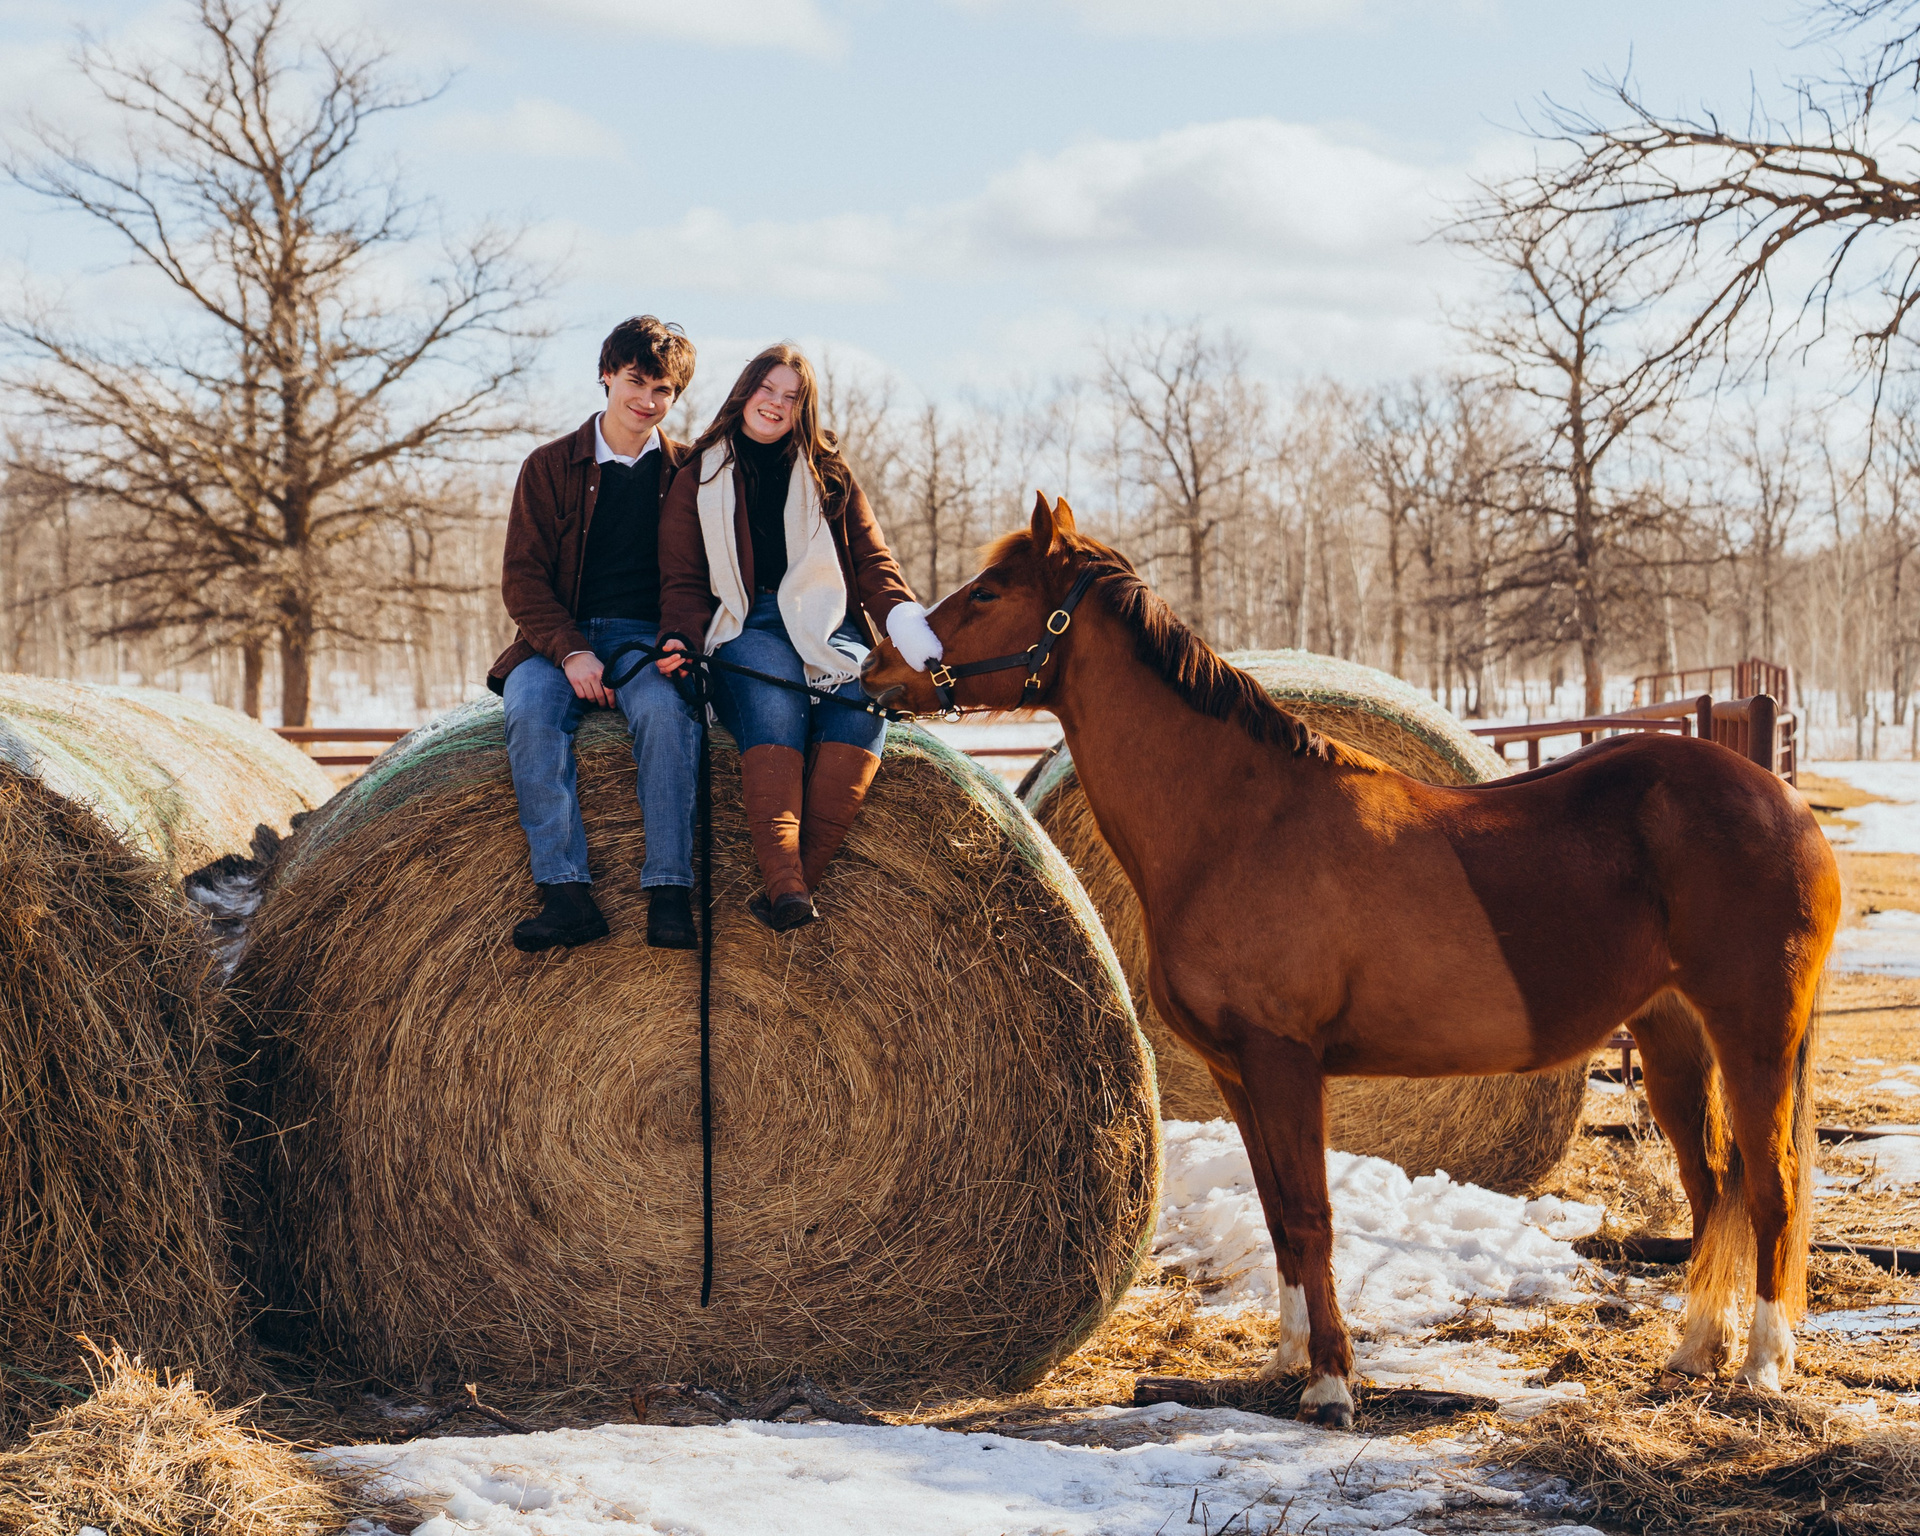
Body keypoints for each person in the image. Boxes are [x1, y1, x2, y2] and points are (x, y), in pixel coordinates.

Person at [658, 344, 943, 932]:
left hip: (827, 622)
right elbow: (683, 579)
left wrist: (904, 620)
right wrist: (680, 638)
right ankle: (785, 880)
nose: (776, 403)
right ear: (746, 391)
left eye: (791, 396)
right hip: (746, 621)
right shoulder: (697, 476)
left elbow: (873, 564)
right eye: (768, 388)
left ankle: (794, 888)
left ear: (803, 408)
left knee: (867, 696)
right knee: (774, 697)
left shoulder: (829, 475)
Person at [487, 315, 703, 953]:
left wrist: (679, 639)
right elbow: (523, 580)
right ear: (607, 375)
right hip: (557, 638)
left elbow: (700, 577)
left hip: (649, 638)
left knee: (668, 716)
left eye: (663, 390)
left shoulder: (690, 473)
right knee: (529, 712)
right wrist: (573, 651)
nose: (647, 400)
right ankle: (566, 895)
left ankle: (669, 891)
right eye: (636, 381)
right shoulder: (549, 466)